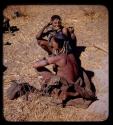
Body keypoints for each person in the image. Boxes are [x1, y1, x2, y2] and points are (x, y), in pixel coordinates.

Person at [33, 34, 96, 107]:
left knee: (38, 68)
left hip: (66, 85)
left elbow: (35, 65)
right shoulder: (71, 54)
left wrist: (43, 60)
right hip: (76, 82)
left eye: (52, 42)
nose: (50, 44)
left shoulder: (59, 58)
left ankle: (58, 91)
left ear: (57, 44)